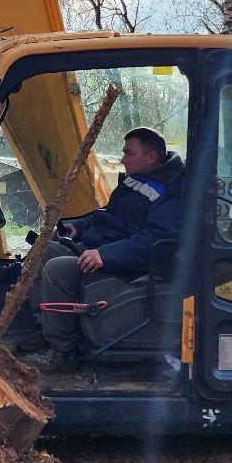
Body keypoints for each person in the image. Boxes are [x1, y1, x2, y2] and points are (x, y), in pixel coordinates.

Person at [24, 127, 185, 372]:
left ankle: (64, 353)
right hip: (105, 248)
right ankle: (46, 330)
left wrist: (105, 256)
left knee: (57, 269)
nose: (122, 159)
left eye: (128, 153)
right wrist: (78, 226)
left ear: (151, 157)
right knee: (42, 251)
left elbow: (158, 240)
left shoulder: (170, 193)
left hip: (129, 266)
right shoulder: (137, 180)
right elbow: (110, 217)